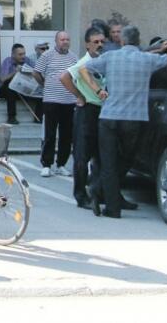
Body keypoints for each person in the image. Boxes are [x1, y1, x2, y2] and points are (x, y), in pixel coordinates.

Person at [80, 26, 167, 218]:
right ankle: (99, 191)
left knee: (109, 162)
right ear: (138, 41)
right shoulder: (147, 60)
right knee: (127, 159)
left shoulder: (110, 57)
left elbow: (83, 69)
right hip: (134, 119)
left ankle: (109, 204)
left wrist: (97, 90)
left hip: (109, 117)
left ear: (121, 40)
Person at [60, 27, 107, 210]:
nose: (100, 45)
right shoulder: (85, 62)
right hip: (87, 110)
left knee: (99, 155)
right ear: (87, 44)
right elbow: (64, 77)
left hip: (101, 111)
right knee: (82, 156)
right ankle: (80, 195)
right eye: (95, 42)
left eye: (102, 41)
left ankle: (97, 192)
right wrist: (79, 95)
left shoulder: (102, 61)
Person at [33, 31, 78, 178]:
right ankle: (46, 164)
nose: (65, 42)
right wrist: (45, 84)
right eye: (62, 39)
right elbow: (36, 72)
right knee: (50, 133)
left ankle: (61, 164)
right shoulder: (47, 55)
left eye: (67, 39)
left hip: (69, 101)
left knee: (66, 134)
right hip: (51, 100)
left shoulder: (73, 57)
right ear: (56, 41)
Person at [0, 43, 34, 125]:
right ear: (13, 55)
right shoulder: (7, 61)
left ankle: (39, 116)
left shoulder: (27, 60)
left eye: (24, 53)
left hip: (22, 89)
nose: (23, 56)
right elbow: (2, 79)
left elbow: (36, 73)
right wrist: (15, 72)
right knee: (10, 85)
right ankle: (11, 117)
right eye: (20, 54)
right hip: (6, 90)